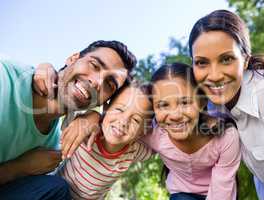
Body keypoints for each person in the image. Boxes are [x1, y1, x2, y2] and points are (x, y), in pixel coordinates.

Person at [0, 40, 136, 199]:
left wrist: (95, 116)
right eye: (94, 65)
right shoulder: (5, 80)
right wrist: (19, 168)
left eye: (109, 85)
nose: (97, 82)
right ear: (73, 59)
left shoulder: (55, 143)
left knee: (57, 189)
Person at [188, 9, 264, 200]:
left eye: (226, 59)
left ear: (246, 60)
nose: (214, 76)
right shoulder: (210, 106)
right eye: (202, 63)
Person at [142, 63, 241, 200]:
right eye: (163, 105)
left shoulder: (226, 137)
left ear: (201, 102)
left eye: (185, 103)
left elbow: (222, 190)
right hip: (181, 194)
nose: (175, 115)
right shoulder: (154, 135)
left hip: (220, 192)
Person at [56, 82, 153, 199]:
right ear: (106, 108)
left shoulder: (135, 151)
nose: (123, 122)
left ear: (141, 133)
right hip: (56, 192)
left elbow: (162, 144)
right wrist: (94, 114)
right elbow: (69, 107)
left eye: (136, 120)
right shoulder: (87, 128)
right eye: (119, 109)